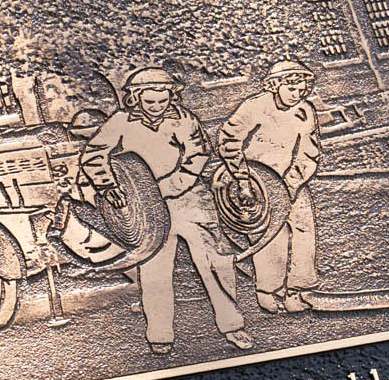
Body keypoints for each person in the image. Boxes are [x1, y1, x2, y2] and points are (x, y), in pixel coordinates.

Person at [79, 69, 250, 355]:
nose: (157, 107)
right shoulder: (120, 122)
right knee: (154, 269)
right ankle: (159, 335)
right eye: (150, 102)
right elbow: (93, 155)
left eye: (163, 100)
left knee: (216, 261)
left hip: (191, 199)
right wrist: (108, 186)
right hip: (147, 207)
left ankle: (233, 326)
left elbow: (199, 154)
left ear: (171, 96)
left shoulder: (184, 119)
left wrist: (174, 184)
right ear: (136, 98)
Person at [218, 59, 322, 313]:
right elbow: (229, 140)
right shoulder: (254, 107)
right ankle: (267, 290)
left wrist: (294, 181)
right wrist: (243, 178)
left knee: (303, 232)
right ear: (275, 85)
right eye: (291, 89)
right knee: (268, 236)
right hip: (258, 184)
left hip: (292, 182)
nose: (297, 95)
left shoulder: (305, 111)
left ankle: (296, 291)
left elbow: (310, 151)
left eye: (301, 90)